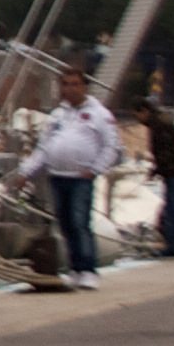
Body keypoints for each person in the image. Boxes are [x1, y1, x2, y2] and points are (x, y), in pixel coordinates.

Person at [18, 62, 126, 289]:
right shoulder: (57, 116)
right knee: (66, 225)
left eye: (75, 84)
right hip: (57, 177)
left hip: (81, 179)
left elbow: (112, 146)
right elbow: (43, 148)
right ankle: (75, 269)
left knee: (80, 223)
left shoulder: (99, 114)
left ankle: (88, 269)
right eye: (66, 84)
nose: (70, 89)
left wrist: (95, 170)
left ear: (84, 87)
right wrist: (26, 172)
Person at [139, 88, 174, 256]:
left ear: (144, 111)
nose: (138, 120)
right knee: (173, 209)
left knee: (173, 210)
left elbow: (165, 151)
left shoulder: (158, 124)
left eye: (137, 115)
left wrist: (158, 170)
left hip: (173, 172)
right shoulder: (160, 121)